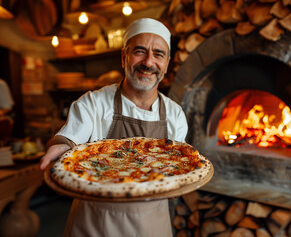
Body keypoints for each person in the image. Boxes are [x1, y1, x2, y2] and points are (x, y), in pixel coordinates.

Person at [40, 18, 188, 237]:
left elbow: (178, 168)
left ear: (166, 63)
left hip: (152, 224)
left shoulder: (175, 114)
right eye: (139, 51)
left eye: (158, 54)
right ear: (123, 57)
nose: (148, 62)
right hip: (95, 223)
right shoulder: (94, 102)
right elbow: (71, 136)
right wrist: (61, 144)